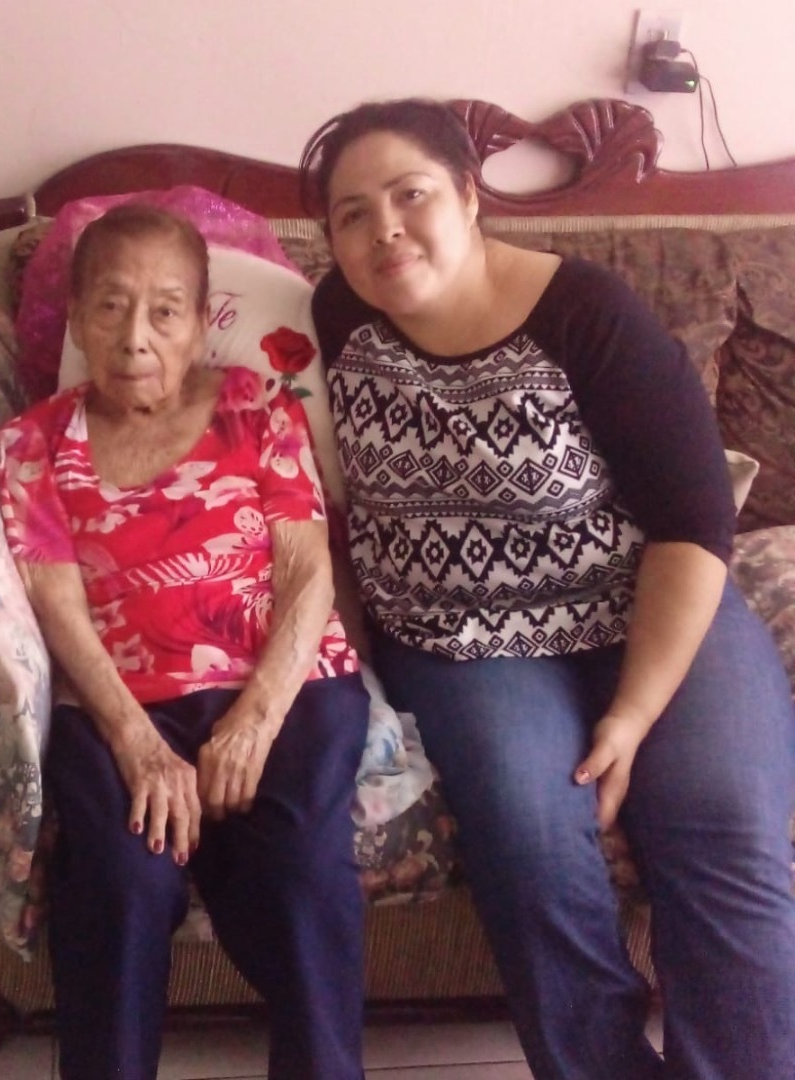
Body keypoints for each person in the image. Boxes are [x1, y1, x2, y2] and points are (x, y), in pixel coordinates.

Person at [299, 98, 795, 1080]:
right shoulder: (332, 319)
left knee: (725, 829)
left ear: (468, 196)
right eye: (352, 214)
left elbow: (693, 522)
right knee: (530, 844)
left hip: (644, 602)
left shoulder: (587, 312)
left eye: (410, 195)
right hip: (462, 636)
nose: (385, 229)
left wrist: (633, 715)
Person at [0, 203, 369, 1080]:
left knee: (297, 872)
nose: (136, 337)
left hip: (288, 687)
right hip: (121, 703)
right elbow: (57, 604)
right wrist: (137, 743)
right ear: (77, 320)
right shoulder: (31, 443)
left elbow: (306, 571)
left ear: (202, 324)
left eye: (165, 311)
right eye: (110, 306)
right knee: (123, 883)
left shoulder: (258, 409)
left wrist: (254, 721)